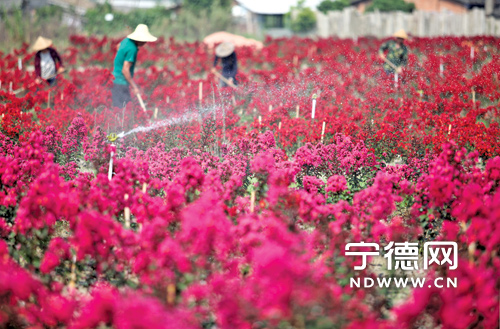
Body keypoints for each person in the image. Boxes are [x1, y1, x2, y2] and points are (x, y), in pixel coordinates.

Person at [111, 24, 157, 108]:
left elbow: (118, 46)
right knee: (125, 110)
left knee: (120, 108)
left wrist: (120, 59)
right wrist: (134, 87)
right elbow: (125, 70)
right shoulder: (132, 49)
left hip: (114, 80)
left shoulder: (126, 41)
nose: (145, 42)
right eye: (144, 40)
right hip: (121, 82)